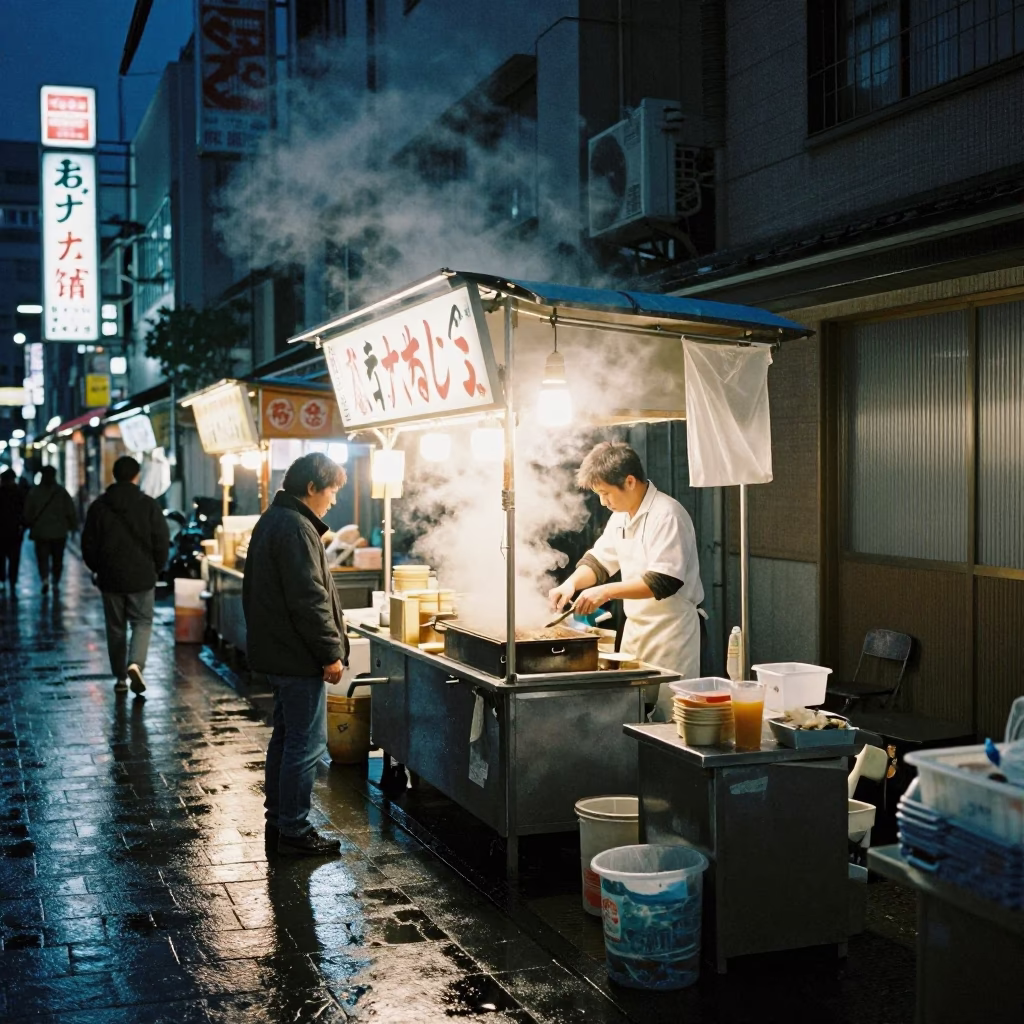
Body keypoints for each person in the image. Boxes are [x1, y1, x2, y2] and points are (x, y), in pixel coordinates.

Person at [548, 441, 704, 722]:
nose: (602, 502)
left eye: (605, 493)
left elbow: (664, 580)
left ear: (629, 481)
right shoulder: (620, 517)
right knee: (631, 713)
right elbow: (599, 561)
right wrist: (570, 584)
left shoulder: (667, 514)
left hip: (671, 634)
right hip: (635, 632)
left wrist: (605, 592)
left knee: (669, 718)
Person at [242, 452, 350, 857]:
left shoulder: (277, 520)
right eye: (332, 490)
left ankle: (280, 821)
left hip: (280, 653)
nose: (334, 500)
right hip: (296, 656)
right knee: (306, 744)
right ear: (311, 488)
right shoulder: (294, 527)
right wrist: (330, 652)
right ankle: (294, 829)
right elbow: (309, 599)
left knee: (287, 740)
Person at [82, 456, 170, 695]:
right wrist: (156, 568)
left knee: (115, 627)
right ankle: (135, 663)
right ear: (136, 475)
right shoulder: (149, 505)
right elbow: (162, 542)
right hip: (142, 576)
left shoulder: (99, 507)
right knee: (141, 622)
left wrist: (97, 568)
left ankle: (120, 678)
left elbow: (88, 545)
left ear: (114, 475)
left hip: (110, 577)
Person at [22, 465, 78, 594]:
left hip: (41, 532)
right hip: (59, 532)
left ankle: (45, 579)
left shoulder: (35, 492)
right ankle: (56, 581)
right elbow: (70, 511)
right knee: (58, 559)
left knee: (42, 558)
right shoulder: (61, 492)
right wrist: (72, 526)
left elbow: (27, 512)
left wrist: (28, 524)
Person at [0, 468, 26, 597]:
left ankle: (4, 580)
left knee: (2, 558)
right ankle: (11, 581)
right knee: (14, 558)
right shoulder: (19, 493)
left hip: (5, 531)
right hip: (15, 531)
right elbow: (24, 512)